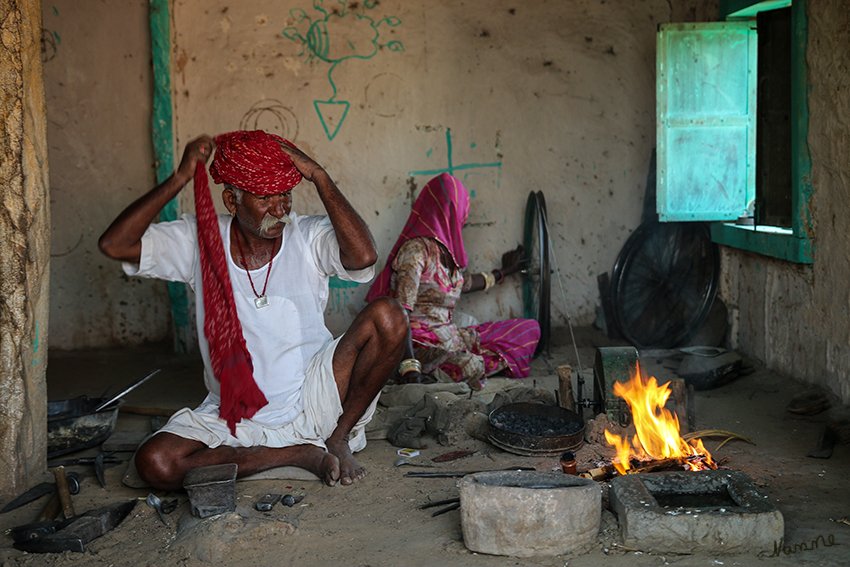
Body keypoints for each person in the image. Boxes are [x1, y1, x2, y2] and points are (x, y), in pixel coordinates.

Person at [99, 130, 407, 490]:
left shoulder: (307, 235)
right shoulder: (200, 240)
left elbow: (363, 257)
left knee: (389, 315)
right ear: (232, 200)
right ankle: (294, 455)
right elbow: (115, 244)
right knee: (156, 463)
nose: (280, 211)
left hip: (317, 394)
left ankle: (337, 438)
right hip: (235, 414)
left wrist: (319, 176)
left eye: (286, 196)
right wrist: (182, 177)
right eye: (265, 198)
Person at [365, 173, 540, 390]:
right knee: (470, 364)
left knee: (528, 329)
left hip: (451, 337)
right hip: (417, 344)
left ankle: (450, 371)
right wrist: (410, 365)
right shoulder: (417, 250)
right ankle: (425, 373)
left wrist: (504, 272)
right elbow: (400, 312)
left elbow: (465, 284)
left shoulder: (448, 255)